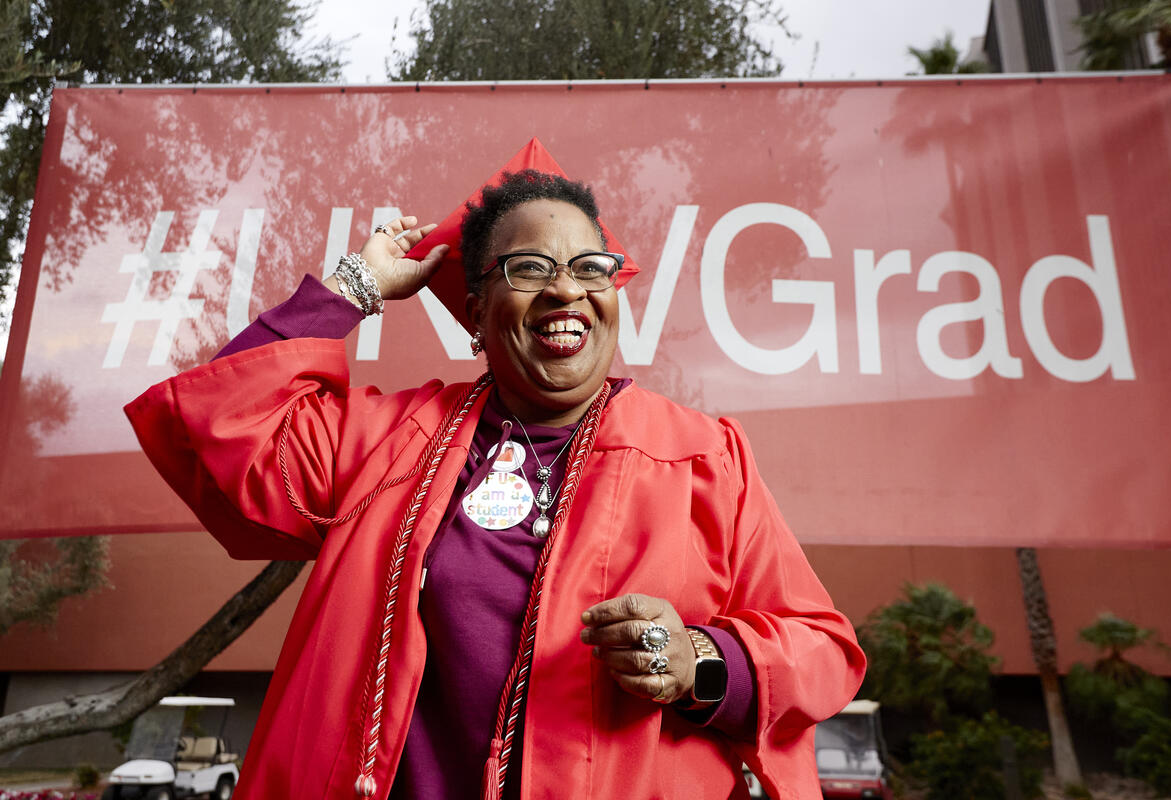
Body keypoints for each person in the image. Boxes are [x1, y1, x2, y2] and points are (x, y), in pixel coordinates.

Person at [126, 167, 866, 800]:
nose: (564, 290)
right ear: (476, 314)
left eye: (589, 268)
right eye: (529, 269)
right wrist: (356, 286)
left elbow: (823, 650)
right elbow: (220, 414)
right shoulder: (390, 441)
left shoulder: (704, 457)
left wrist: (701, 662)